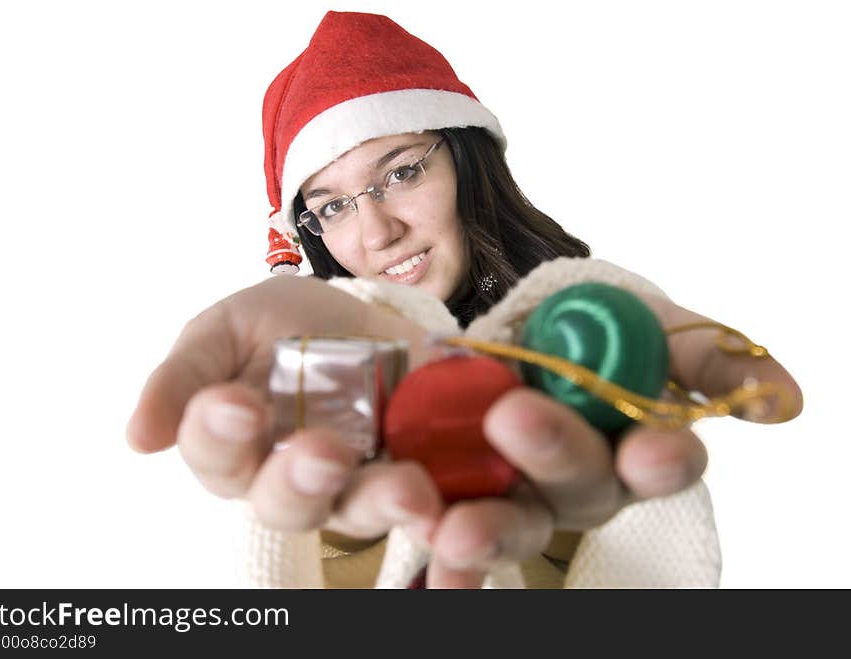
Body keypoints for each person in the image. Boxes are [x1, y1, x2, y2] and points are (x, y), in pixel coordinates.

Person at [126, 11, 803, 588]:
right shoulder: (318, 367)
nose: (375, 231)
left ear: (468, 161)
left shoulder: (576, 322)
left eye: (401, 171)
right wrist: (341, 536)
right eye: (331, 206)